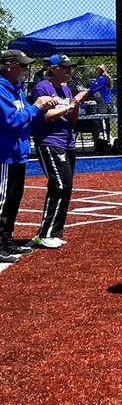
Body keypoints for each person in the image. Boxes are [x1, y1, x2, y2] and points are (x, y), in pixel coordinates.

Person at [0, 50, 58, 263]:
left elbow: (25, 117)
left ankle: (6, 240)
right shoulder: (1, 89)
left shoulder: (15, 89)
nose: (26, 69)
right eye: (22, 65)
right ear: (8, 65)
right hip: (4, 153)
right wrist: (36, 108)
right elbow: (11, 121)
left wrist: (41, 110)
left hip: (18, 153)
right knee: (3, 201)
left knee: (13, 200)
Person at [30, 55, 91, 249]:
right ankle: (45, 233)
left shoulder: (65, 89)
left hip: (67, 142)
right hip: (50, 142)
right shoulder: (42, 88)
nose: (68, 71)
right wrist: (71, 105)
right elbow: (45, 115)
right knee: (60, 184)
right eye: (64, 68)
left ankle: (55, 232)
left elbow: (73, 118)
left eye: (70, 68)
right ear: (53, 68)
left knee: (67, 186)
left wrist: (76, 103)